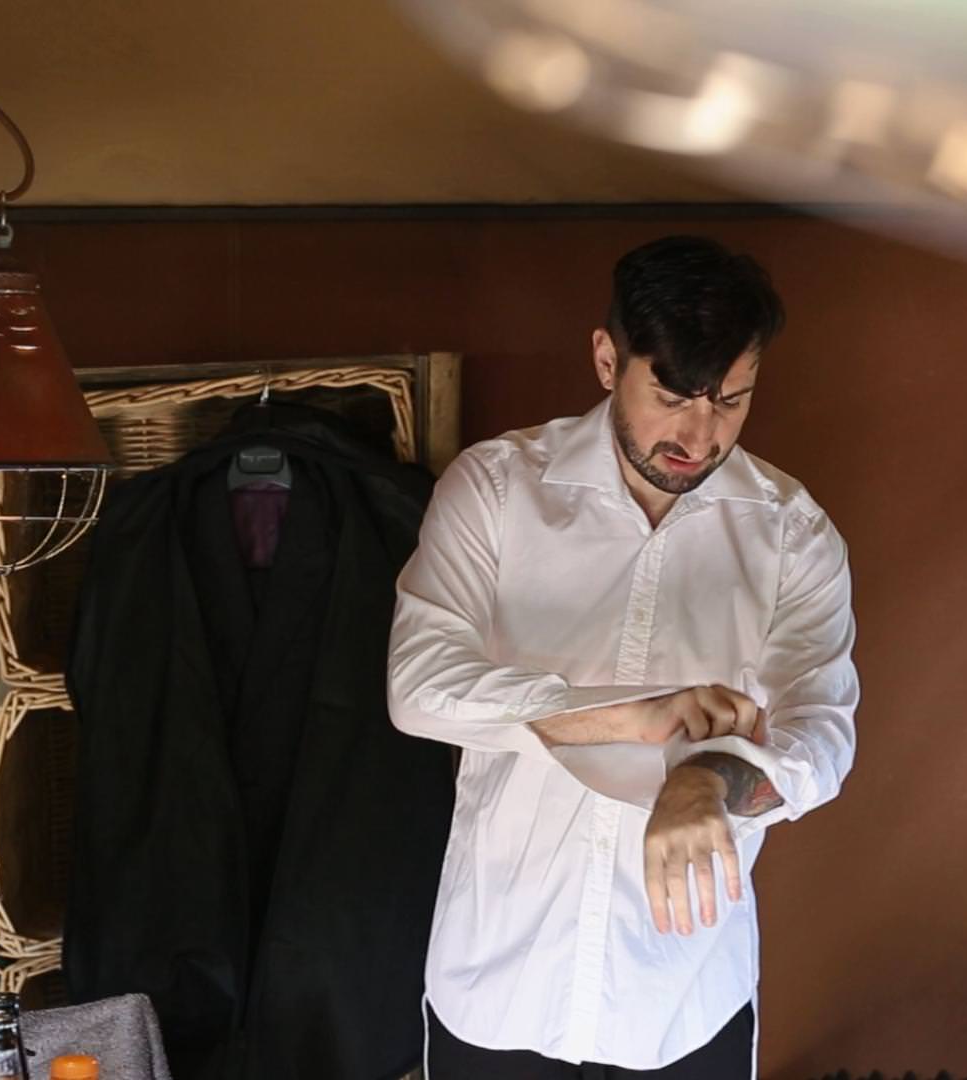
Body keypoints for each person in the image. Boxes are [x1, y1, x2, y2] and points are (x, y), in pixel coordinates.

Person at [388, 235, 860, 1078]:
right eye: (673, 395)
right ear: (608, 359)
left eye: (733, 401)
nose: (698, 434)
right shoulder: (494, 491)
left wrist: (705, 777)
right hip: (498, 981)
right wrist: (638, 718)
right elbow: (418, 688)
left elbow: (822, 739)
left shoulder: (793, 535)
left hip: (683, 998)